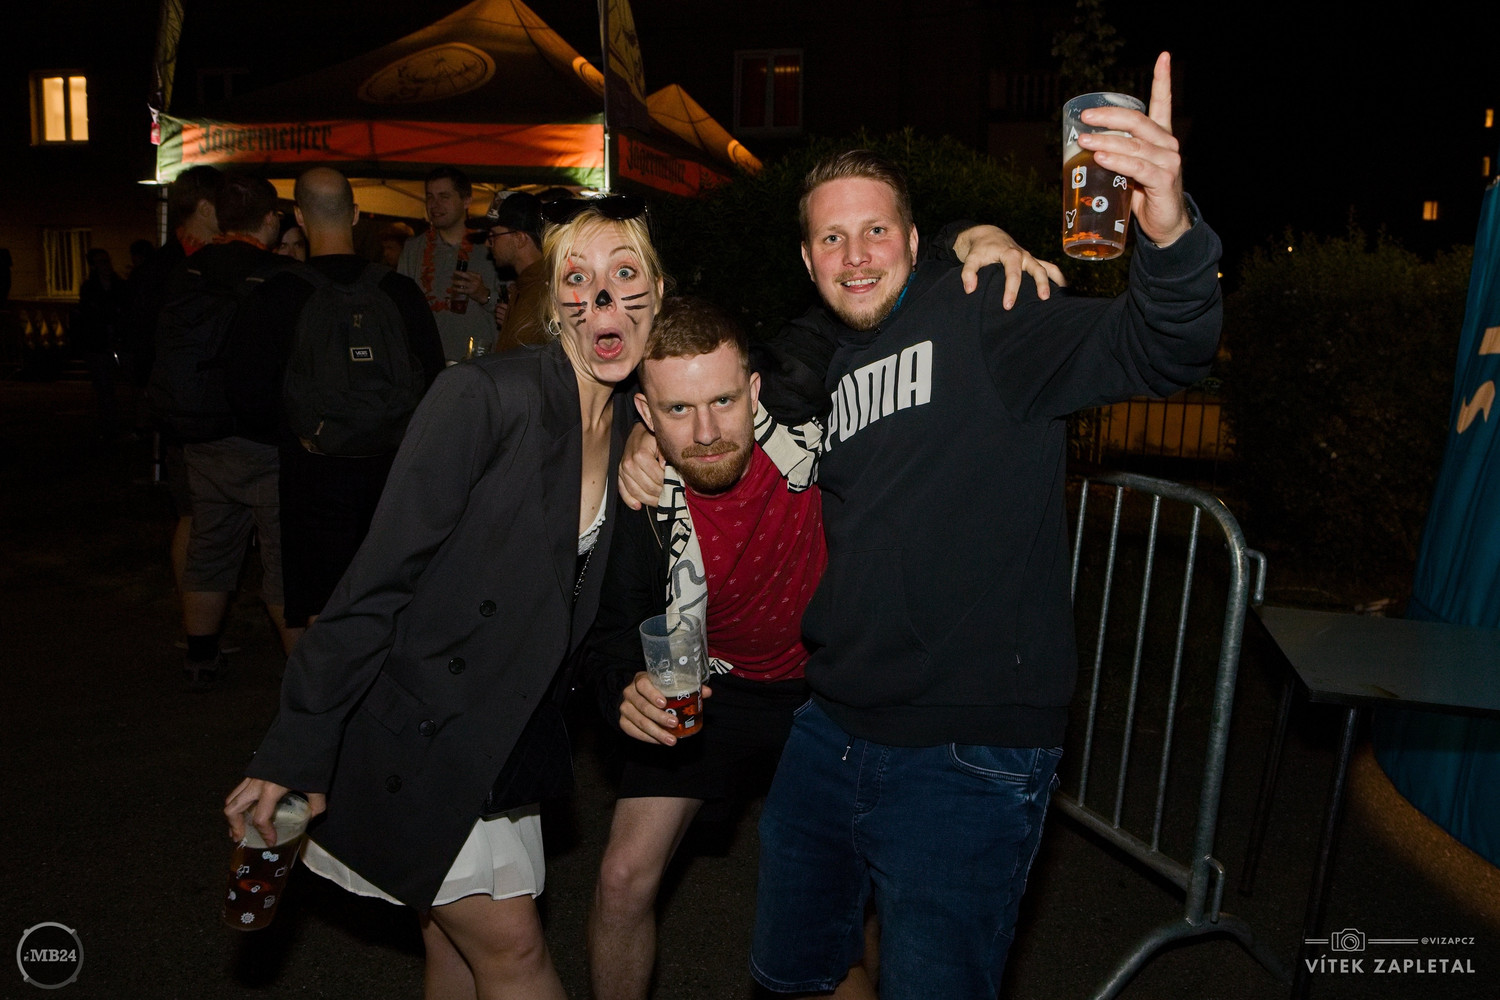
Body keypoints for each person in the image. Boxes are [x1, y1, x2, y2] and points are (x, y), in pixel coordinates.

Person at [748, 53, 1223, 999]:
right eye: (832, 238)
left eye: (875, 231)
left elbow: (1163, 346)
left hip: (965, 753)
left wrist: (1169, 230)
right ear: (807, 260)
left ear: (913, 239)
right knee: (795, 977)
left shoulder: (986, 310)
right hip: (829, 728)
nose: (855, 255)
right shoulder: (825, 360)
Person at [223, 197, 667, 1000]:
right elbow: (375, 581)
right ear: (552, 300)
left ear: (657, 296)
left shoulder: (632, 426)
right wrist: (295, 745)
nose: (602, 296)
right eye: (578, 277)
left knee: (454, 954)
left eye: (625, 273)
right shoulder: (484, 397)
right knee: (516, 956)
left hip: (502, 738)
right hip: (419, 729)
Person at [224, 168, 444, 633]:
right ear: (356, 213)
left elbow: (247, 394)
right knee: (389, 594)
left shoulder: (276, 294)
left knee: (322, 601)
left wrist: (296, 430)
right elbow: (434, 379)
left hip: (312, 473)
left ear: (300, 217)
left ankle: (331, 679)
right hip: (392, 474)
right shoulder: (400, 291)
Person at [396, 165, 498, 363]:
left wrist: (484, 295)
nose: (435, 205)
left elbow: (515, 309)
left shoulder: (491, 246)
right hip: (427, 362)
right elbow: (401, 307)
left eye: (444, 196)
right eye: (430, 197)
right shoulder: (413, 249)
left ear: (466, 200)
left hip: (480, 363)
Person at [467, 191, 548, 353]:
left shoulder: (542, 291)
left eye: (493, 235)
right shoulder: (526, 286)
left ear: (519, 239)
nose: (487, 243)